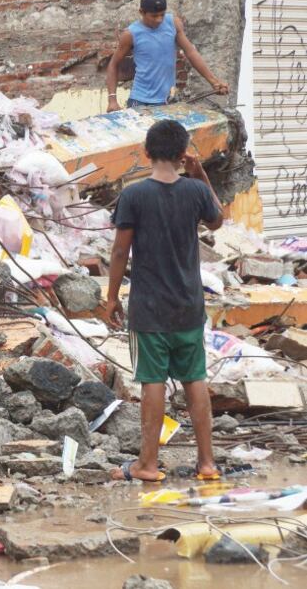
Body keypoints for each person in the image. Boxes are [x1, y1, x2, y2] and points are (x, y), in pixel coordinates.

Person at [105, 120, 224, 482]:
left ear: (146, 151)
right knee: (194, 379)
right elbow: (218, 220)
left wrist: (111, 297)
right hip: (189, 304)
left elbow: (120, 250)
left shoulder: (134, 195)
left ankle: (148, 464)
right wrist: (201, 173)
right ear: (182, 153)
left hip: (149, 308)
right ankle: (207, 464)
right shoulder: (195, 192)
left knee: (152, 381)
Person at [107, 0, 229, 112]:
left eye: (162, 14)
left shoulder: (173, 23)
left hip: (168, 101)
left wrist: (213, 81)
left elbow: (190, 52)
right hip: (140, 101)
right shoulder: (130, 34)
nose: (159, 19)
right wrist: (112, 100)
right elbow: (113, 64)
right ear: (141, 12)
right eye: (154, 16)